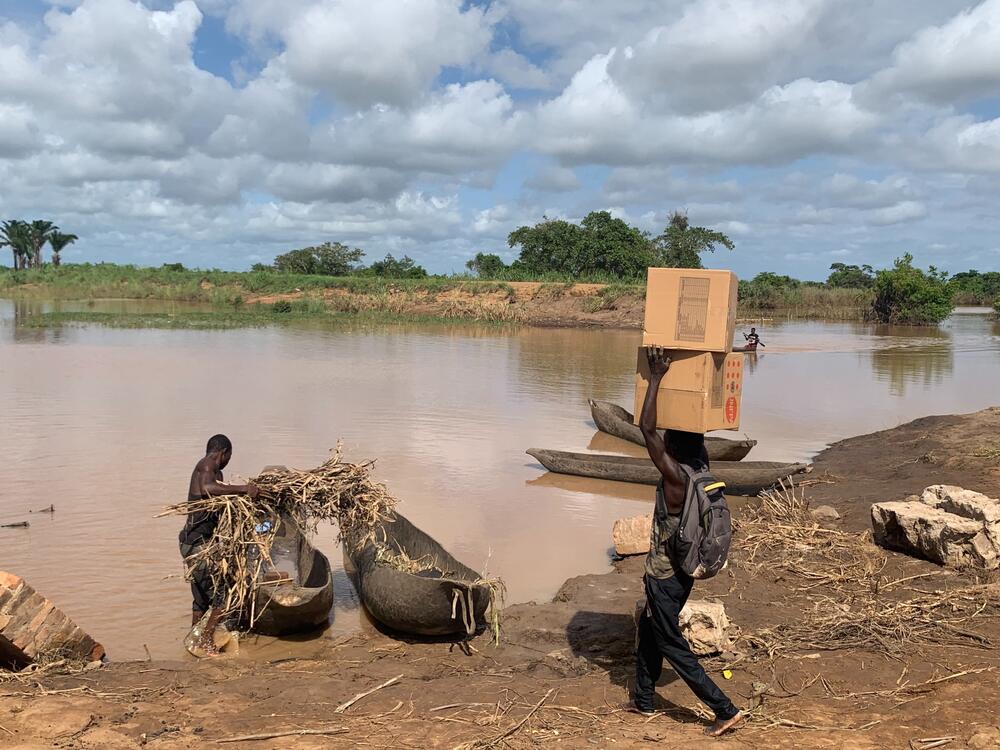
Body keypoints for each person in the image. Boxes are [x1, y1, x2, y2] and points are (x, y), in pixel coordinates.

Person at [628, 345, 743, 737]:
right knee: (651, 630)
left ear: (671, 451)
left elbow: (646, 430)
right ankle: (643, 699)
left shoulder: (677, 480)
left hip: (664, 575)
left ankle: (723, 708)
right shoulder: (702, 469)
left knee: (670, 642)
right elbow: (686, 431)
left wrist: (658, 375)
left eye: (668, 444)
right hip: (684, 569)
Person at [178, 434, 259, 654]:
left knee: (201, 598)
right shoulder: (207, 466)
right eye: (229, 456)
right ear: (223, 452)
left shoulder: (216, 473)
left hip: (194, 543)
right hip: (197, 545)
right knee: (224, 595)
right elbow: (207, 488)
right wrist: (243, 488)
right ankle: (205, 640)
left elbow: (217, 499)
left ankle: (193, 641)